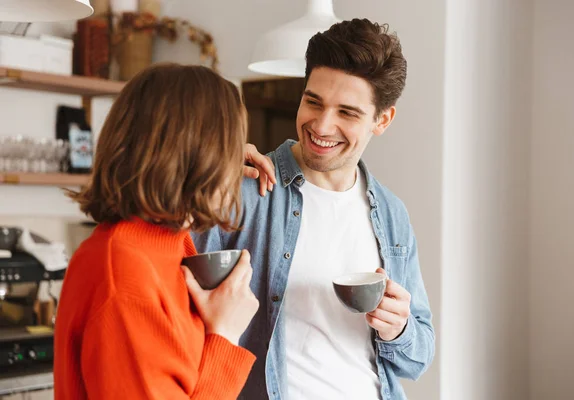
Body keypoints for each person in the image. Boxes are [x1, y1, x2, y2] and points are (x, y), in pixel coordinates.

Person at [193, 18, 435, 400]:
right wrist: (201, 175)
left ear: (382, 120)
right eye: (313, 101)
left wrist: (400, 328)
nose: (322, 125)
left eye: (347, 113)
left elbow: (419, 358)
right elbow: (170, 293)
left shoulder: (391, 214)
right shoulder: (247, 190)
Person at [54, 63, 277, 399]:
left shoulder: (168, 243)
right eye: (227, 148)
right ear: (196, 158)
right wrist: (226, 334)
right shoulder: (123, 275)